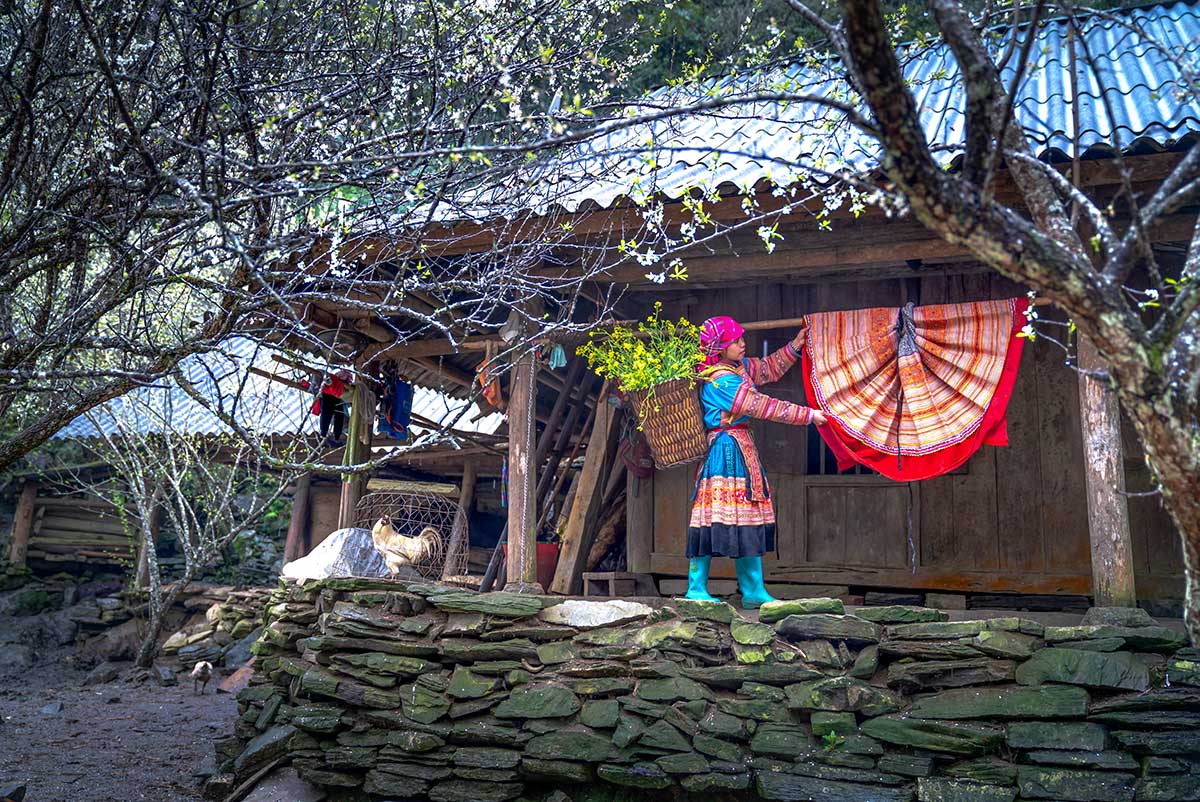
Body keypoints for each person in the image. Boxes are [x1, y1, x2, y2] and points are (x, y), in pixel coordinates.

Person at [687, 317, 826, 608]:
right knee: (715, 515)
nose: (742, 343)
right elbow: (759, 405)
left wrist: (795, 346)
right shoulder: (719, 380)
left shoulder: (739, 368)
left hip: (742, 447)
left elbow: (767, 368)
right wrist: (808, 416)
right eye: (735, 341)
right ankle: (696, 588)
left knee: (749, 515)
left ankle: (753, 590)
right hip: (726, 452)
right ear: (721, 347)